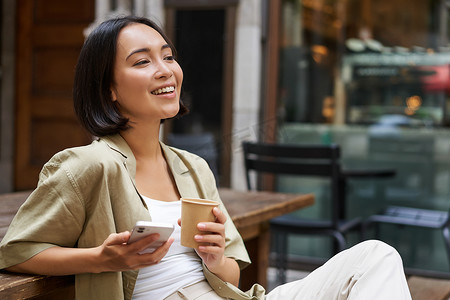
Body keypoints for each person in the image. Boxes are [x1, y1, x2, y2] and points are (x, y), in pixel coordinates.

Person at [0, 16, 411, 300]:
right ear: (107, 88)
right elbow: (17, 251)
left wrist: (214, 258)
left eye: (168, 56)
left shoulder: (192, 168)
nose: (165, 70)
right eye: (142, 61)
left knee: (376, 256)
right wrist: (103, 259)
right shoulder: (90, 166)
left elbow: (232, 273)